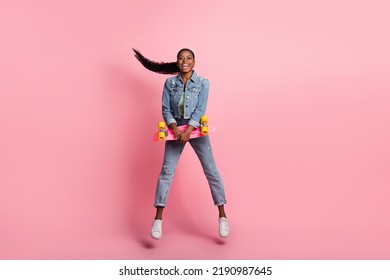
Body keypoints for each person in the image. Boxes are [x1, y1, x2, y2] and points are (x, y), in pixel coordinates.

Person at [133, 48, 229, 239]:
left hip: (196, 130)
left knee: (211, 170)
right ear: (177, 62)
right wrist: (175, 128)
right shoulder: (170, 83)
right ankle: (158, 220)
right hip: (174, 130)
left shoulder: (203, 83)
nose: (185, 61)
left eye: (189, 58)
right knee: (167, 172)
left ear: (194, 62)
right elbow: (165, 108)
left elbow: (200, 108)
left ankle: (222, 216)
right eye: (181, 58)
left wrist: (188, 130)